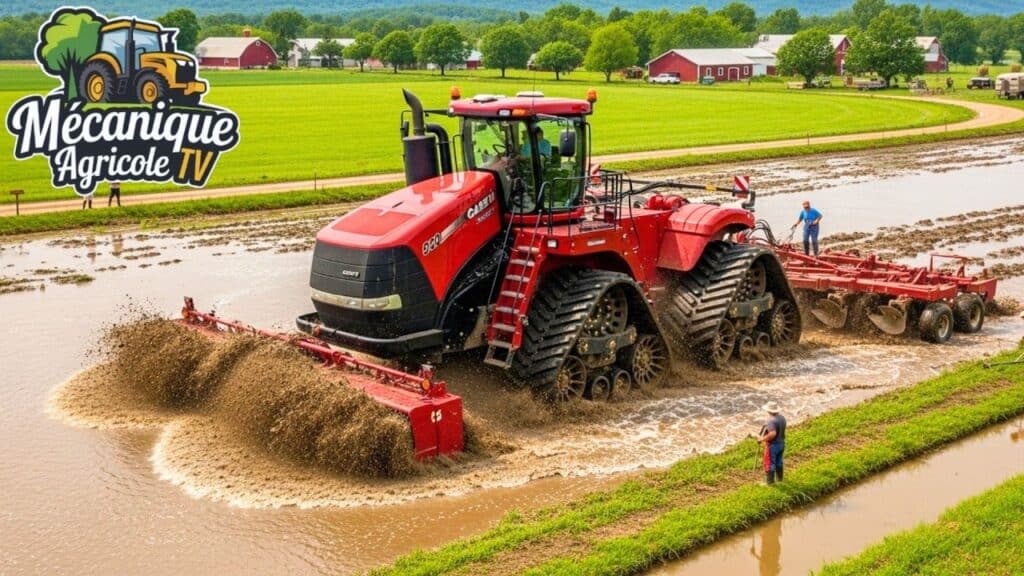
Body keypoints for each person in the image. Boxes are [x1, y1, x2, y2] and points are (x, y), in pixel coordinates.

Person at [758, 401, 786, 485]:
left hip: (773, 445)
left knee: (769, 463)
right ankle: (780, 480)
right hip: (781, 443)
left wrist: (762, 439)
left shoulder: (771, 421)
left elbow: (773, 433)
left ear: (768, 411)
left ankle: (770, 484)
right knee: (779, 462)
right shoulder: (782, 418)